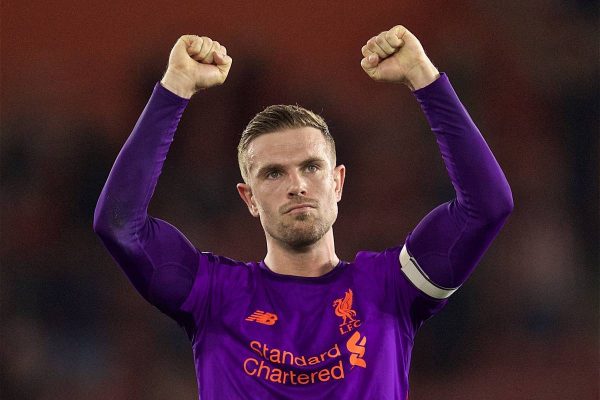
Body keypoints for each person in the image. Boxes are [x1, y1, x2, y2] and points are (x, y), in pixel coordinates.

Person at [93, 24, 513, 399]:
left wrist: (425, 79)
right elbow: (119, 224)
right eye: (273, 173)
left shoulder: (390, 289)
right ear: (249, 198)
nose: (297, 184)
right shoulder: (214, 294)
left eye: (311, 167)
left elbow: (487, 206)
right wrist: (175, 87)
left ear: (338, 182)